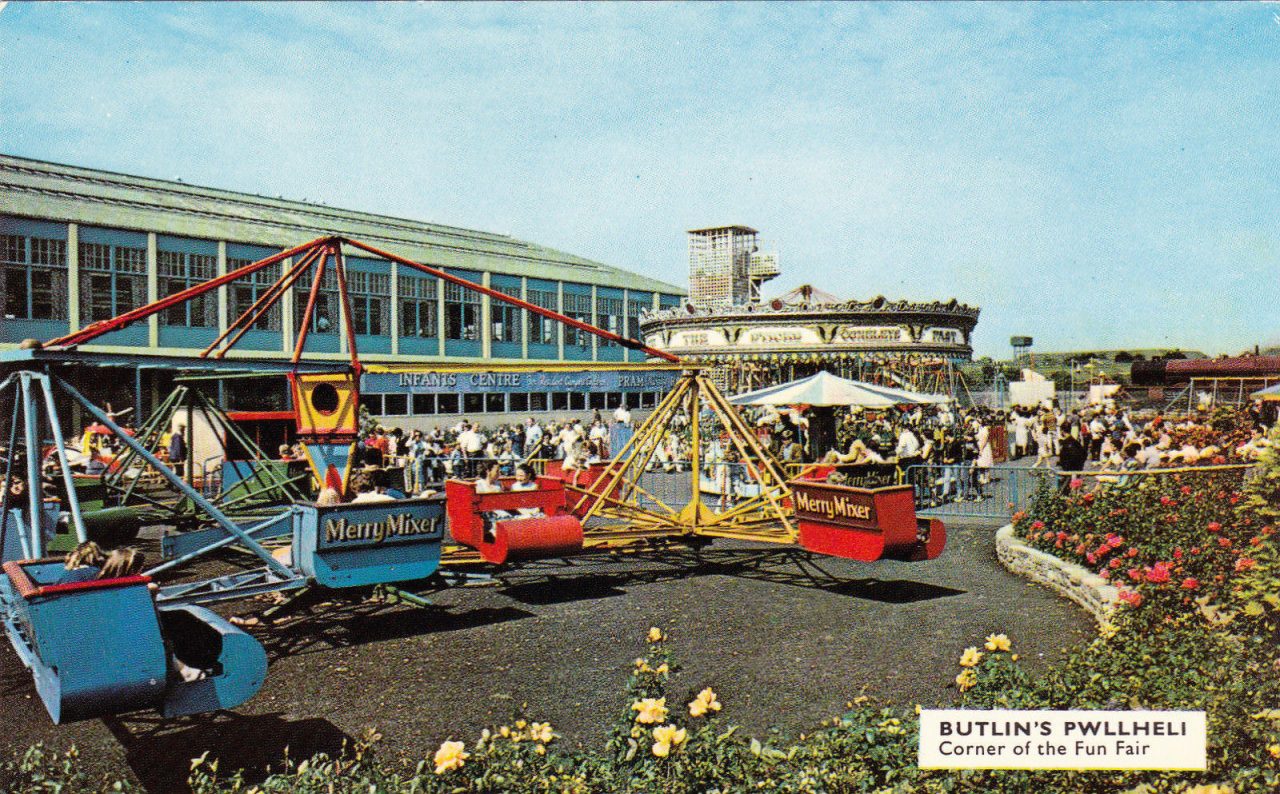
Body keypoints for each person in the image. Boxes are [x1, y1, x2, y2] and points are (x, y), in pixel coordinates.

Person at [1056, 429, 1088, 494]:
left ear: (1063, 432)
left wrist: (1064, 465)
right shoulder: (1076, 442)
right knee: (1076, 485)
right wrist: (1080, 464)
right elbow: (1084, 453)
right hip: (1078, 468)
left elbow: (1063, 457)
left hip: (1068, 469)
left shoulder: (1065, 443)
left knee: (1066, 487)